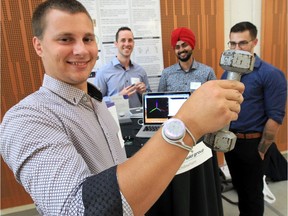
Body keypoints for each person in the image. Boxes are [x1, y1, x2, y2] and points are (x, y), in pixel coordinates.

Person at [0, 0, 245, 215]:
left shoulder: (96, 106)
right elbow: (79, 210)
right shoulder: (25, 119)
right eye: (65, 39)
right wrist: (188, 123)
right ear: (38, 45)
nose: (81, 50)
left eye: (87, 39)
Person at [221, 21, 287, 216]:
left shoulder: (271, 74)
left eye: (242, 43)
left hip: (254, 145)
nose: (237, 49)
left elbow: (275, 118)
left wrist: (262, 151)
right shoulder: (229, 72)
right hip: (232, 143)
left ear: (254, 42)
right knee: (241, 191)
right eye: (232, 44)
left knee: (253, 195)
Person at [94, 26, 151, 108]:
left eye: (130, 40)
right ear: (116, 44)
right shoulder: (103, 72)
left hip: (138, 119)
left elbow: (149, 99)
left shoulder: (140, 71)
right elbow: (96, 102)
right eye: (123, 40)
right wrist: (119, 97)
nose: (127, 44)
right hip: (114, 120)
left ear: (133, 44)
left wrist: (143, 92)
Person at [158, 27, 216, 93]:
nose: (181, 50)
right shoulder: (166, 74)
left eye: (184, 45)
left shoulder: (207, 72)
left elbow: (215, 99)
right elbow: (160, 100)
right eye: (177, 47)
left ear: (191, 45)